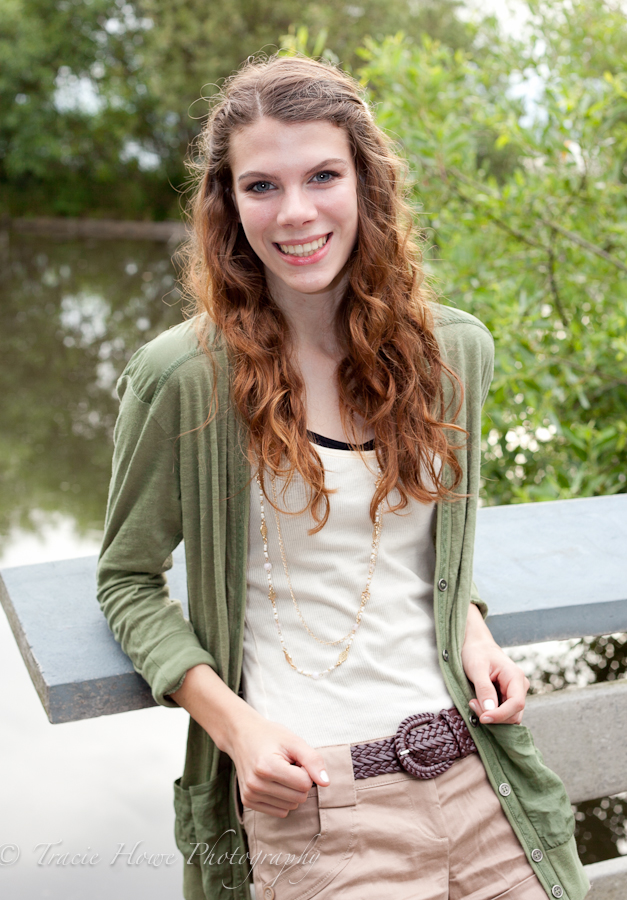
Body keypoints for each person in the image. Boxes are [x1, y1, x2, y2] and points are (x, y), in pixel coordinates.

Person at [97, 55, 589, 900]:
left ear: (366, 182)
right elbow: (127, 583)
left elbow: (430, 551)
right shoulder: (183, 379)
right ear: (226, 203)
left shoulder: (453, 354)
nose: (295, 213)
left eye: (323, 175)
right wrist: (238, 730)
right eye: (261, 186)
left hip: (480, 774)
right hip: (321, 802)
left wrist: (466, 623)